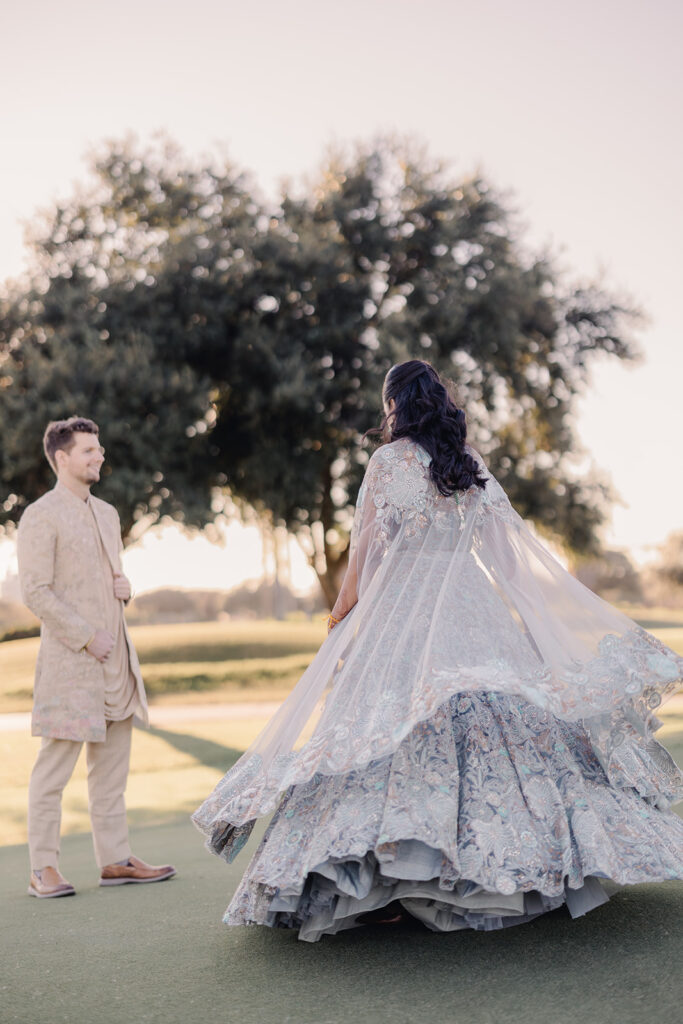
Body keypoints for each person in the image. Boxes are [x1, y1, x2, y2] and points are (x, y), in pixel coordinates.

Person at [193, 360, 683, 941]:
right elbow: (513, 568)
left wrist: (342, 617)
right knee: (490, 728)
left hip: (401, 614)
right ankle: (507, 868)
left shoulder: (385, 463)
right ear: (440, 403)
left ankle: (387, 877)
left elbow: (364, 557)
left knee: (381, 728)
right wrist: (539, 639)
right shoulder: (469, 465)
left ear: (395, 404)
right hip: (473, 612)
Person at [17, 417, 176, 898]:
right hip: (73, 667)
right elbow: (36, 592)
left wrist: (124, 590)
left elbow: (99, 581)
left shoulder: (107, 513)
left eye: (99, 448)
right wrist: (88, 637)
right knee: (53, 773)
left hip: (117, 666)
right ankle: (42, 868)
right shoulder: (39, 516)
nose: (99, 455)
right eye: (88, 450)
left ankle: (115, 860)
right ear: (62, 458)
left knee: (111, 774)